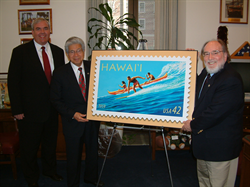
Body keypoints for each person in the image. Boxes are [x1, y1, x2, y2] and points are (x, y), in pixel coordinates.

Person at [7, 18, 65, 187]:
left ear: (49, 31)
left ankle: (50, 171)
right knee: (29, 148)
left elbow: (60, 82)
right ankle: (31, 178)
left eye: (45, 28)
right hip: (28, 112)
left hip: (52, 110)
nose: (42, 32)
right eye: (38, 29)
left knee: (50, 145)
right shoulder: (20, 52)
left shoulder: (58, 51)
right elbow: (13, 82)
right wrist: (17, 109)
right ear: (32, 32)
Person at [182, 39, 244, 187]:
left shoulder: (231, 79)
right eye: (206, 54)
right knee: (204, 181)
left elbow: (215, 113)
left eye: (215, 53)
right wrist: (191, 63)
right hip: (204, 145)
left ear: (225, 55)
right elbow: (196, 90)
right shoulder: (207, 73)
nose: (210, 57)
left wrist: (192, 125)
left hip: (220, 149)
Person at [50, 37, 103, 187]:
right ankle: (73, 183)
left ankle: (91, 178)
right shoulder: (60, 73)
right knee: (73, 156)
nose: (76, 55)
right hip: (72, 122)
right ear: (67, 54)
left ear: (83, 51)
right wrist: (73, 114)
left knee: (92, 153)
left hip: (92, 120)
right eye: (72, 52)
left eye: (78, 50)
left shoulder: (93, 67)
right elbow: (55, 100)